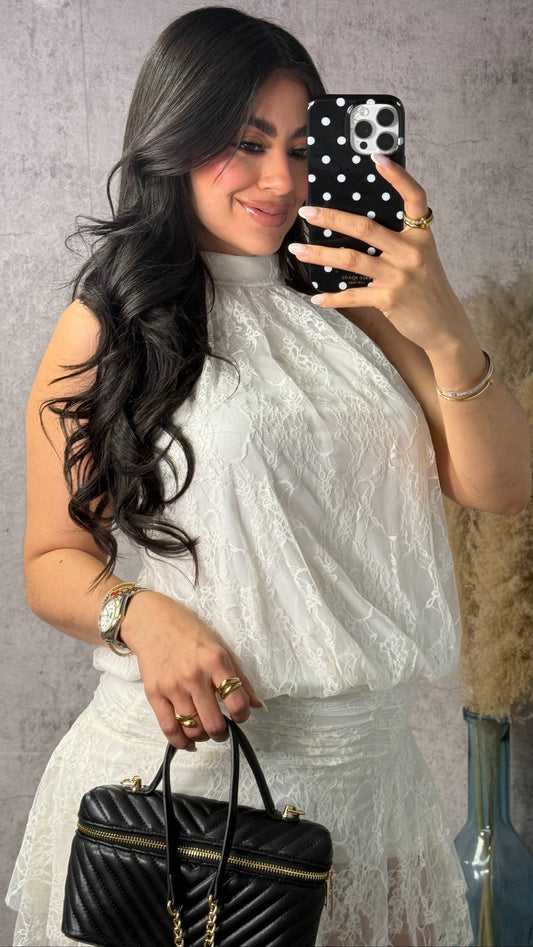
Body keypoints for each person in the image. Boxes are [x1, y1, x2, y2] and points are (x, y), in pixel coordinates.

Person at [6, 6, 531, 947]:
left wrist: (443, 320)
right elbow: (51, 556)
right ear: (176, 140)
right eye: (245, 144)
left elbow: (502, 485)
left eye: (299, 146)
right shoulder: (107, 323)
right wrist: (141, 616)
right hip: (184, 793)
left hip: (373, 786)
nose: (281, 180)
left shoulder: (359, 307)